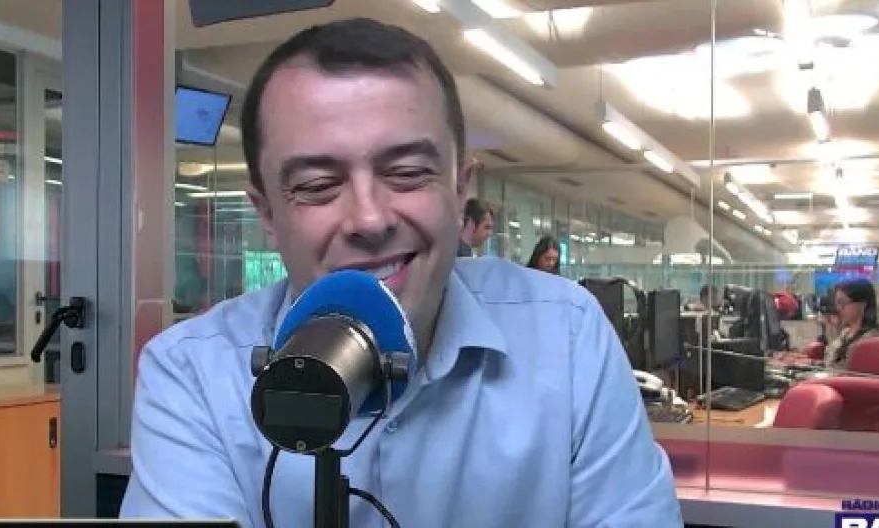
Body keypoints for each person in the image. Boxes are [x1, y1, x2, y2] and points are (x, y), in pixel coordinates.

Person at [120, 18, 681, 527]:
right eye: (317, 186)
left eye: (408, 173)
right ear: (267, 214)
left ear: (460, 191)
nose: (369, 219)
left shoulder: (568, 337)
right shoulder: (192, 374)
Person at [821, 278, 879, 371]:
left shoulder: (870, 339)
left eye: (843, 303)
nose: (839, 308)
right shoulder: (846, 332)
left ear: (863, 304)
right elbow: (829, 362)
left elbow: (847, 370)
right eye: (837, 303)